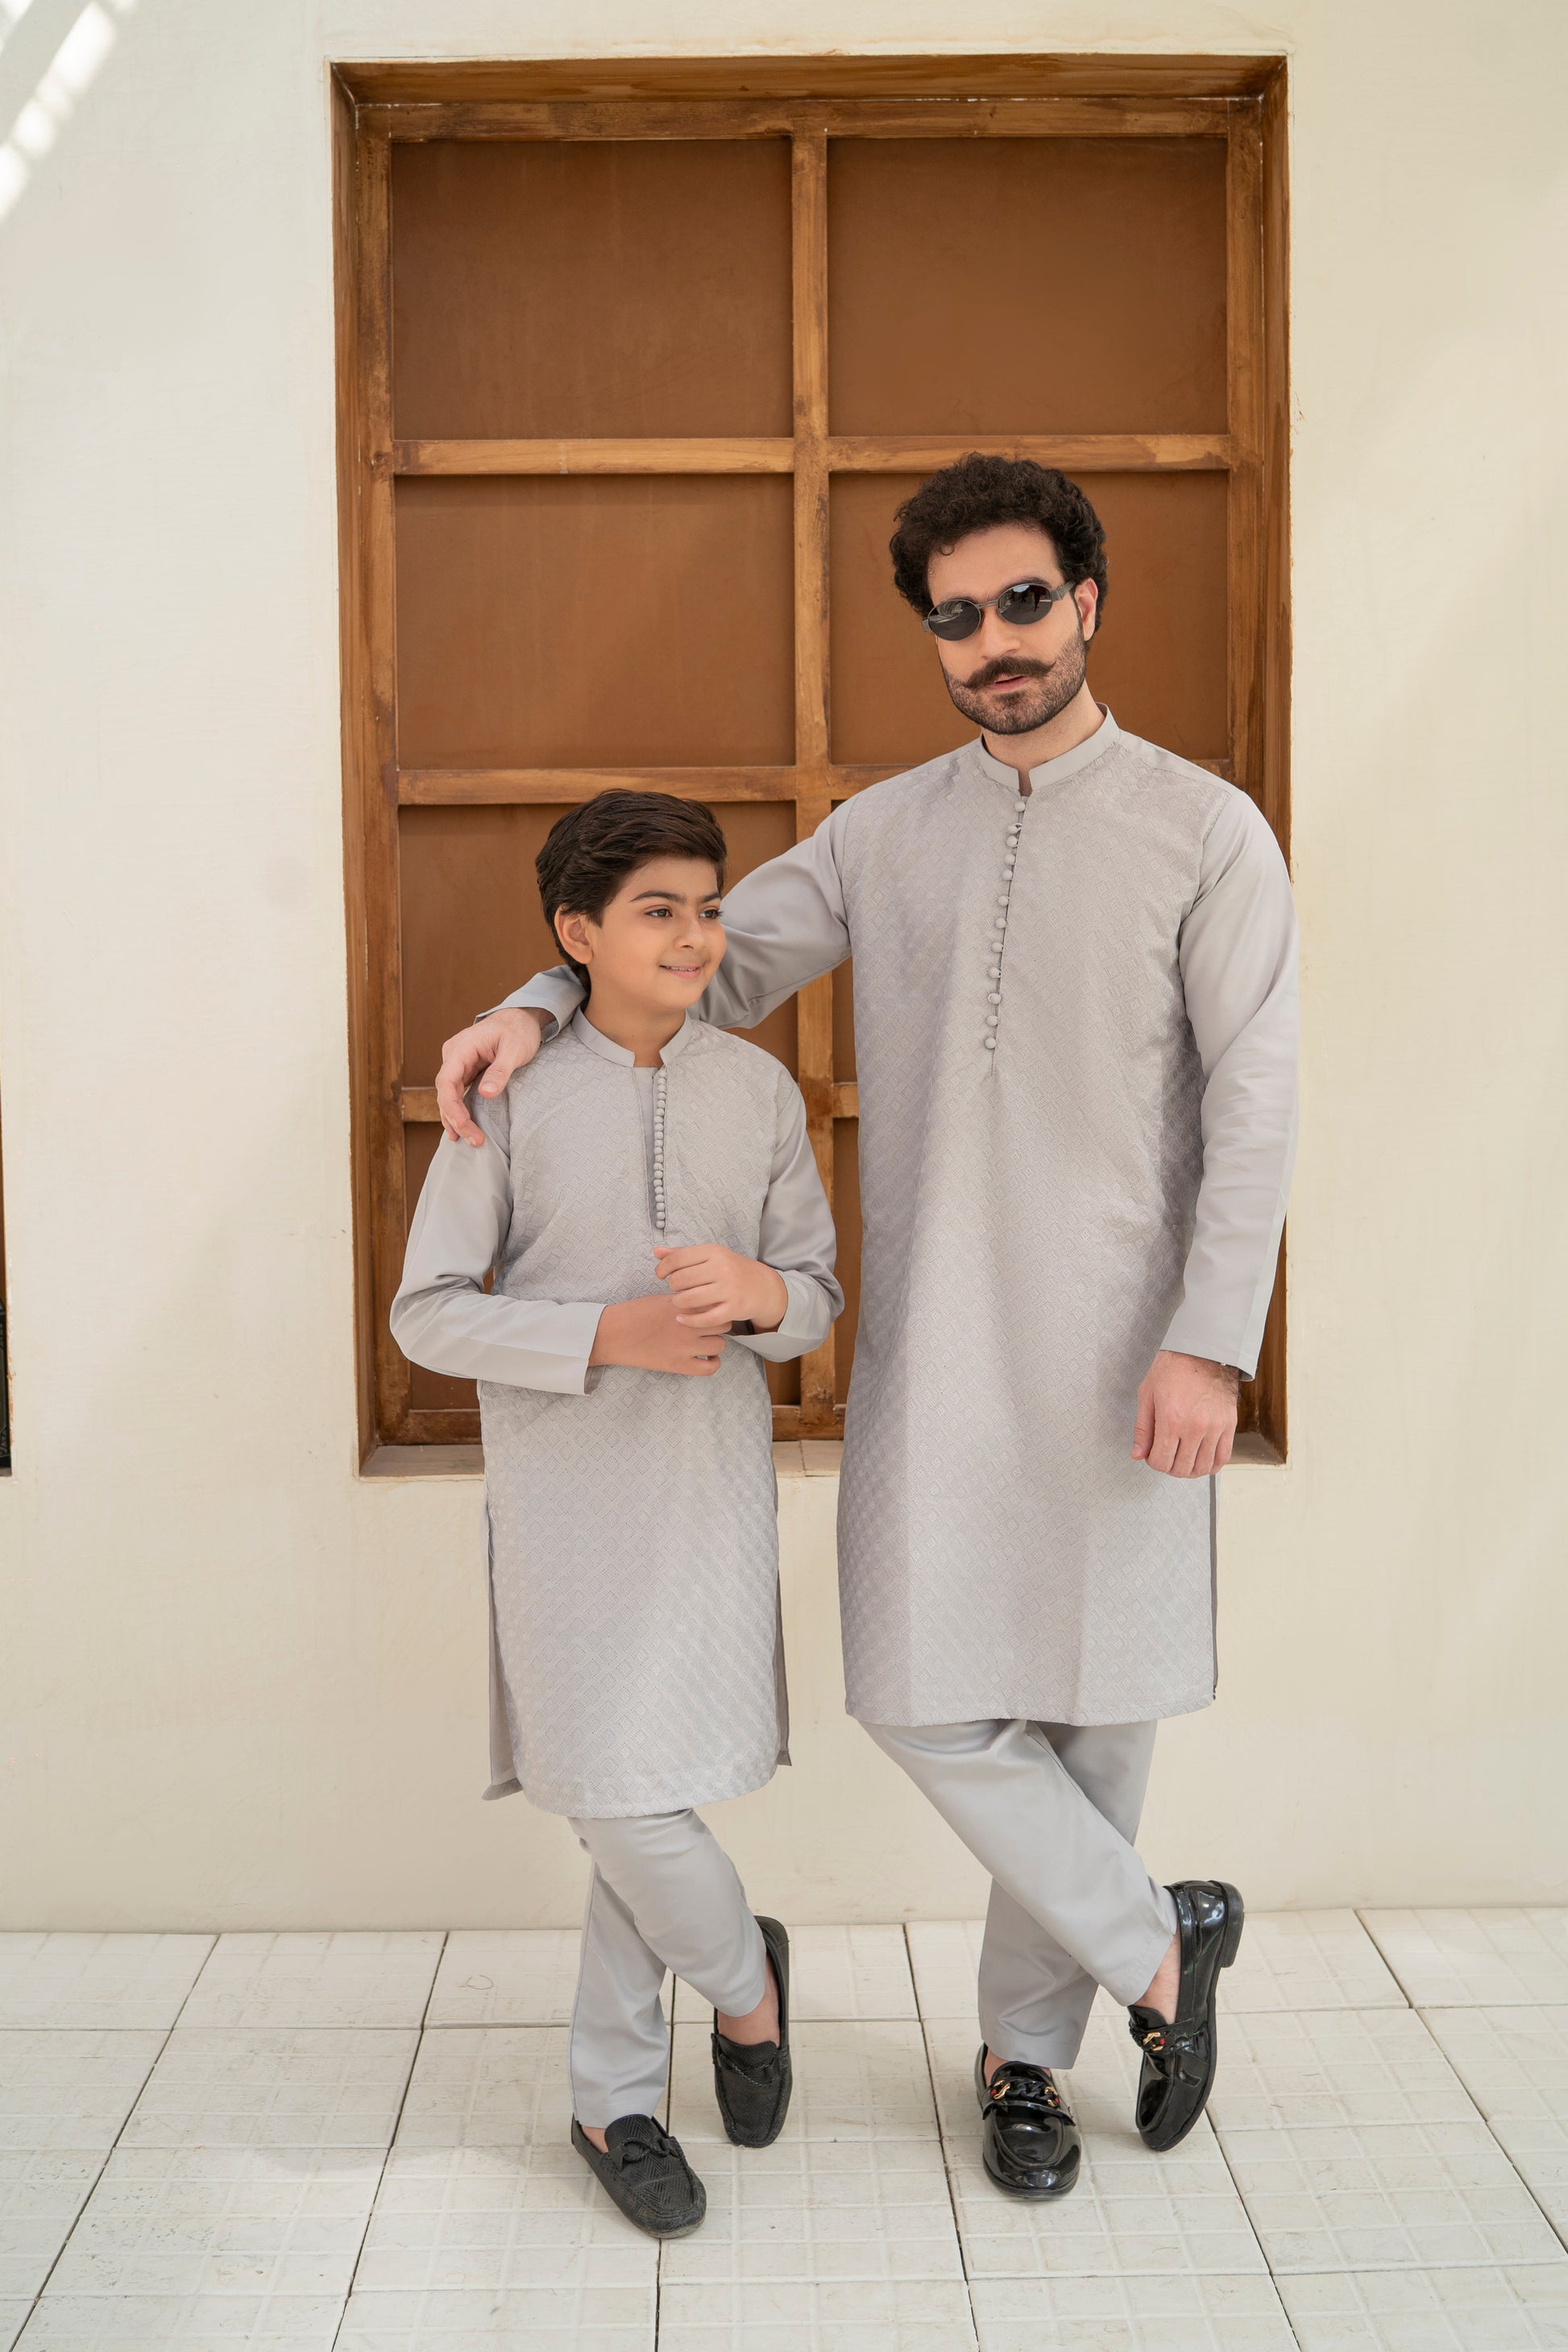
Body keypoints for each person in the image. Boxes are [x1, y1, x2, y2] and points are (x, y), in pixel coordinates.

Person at [433, 456, 1298, 2199]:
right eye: (956, 617)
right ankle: (1159, 1945)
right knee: (918, 1692)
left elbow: (1257, 1097)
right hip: (932, 1338)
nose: (993, 641)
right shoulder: (882, 834)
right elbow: (688, 959)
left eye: (1022, 601)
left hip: (1128, 1346)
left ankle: (1025, 2058)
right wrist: (533, 998)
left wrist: (1211, 1338)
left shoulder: (1205, 829)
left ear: (1086, 600)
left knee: (1093, 1720)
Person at [392, 790, 843, 2237]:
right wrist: (608, 1334)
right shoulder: (510, 1094)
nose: (696, 936)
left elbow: (815, 1298)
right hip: (565, 1504)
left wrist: (762, 1296)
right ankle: (745, 1983)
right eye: (659, 911)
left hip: (706, 1496)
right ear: (575, 935)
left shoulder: (756, 1094)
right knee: (609, 1788)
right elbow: (426, 1314)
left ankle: (612, 2101)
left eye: (708, 908)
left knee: (640, 1797)